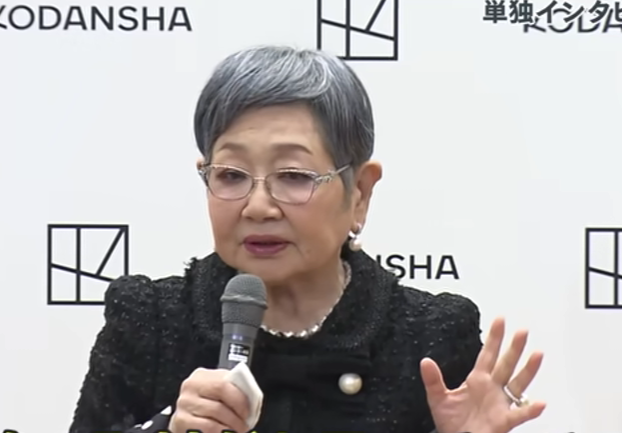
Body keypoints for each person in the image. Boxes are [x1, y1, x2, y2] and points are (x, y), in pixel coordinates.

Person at [69, 45, 546, 433]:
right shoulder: (150, 321)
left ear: (359, 193)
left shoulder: (430, 336)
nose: (258, 206)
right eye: (231, 175)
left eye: (294, 176)